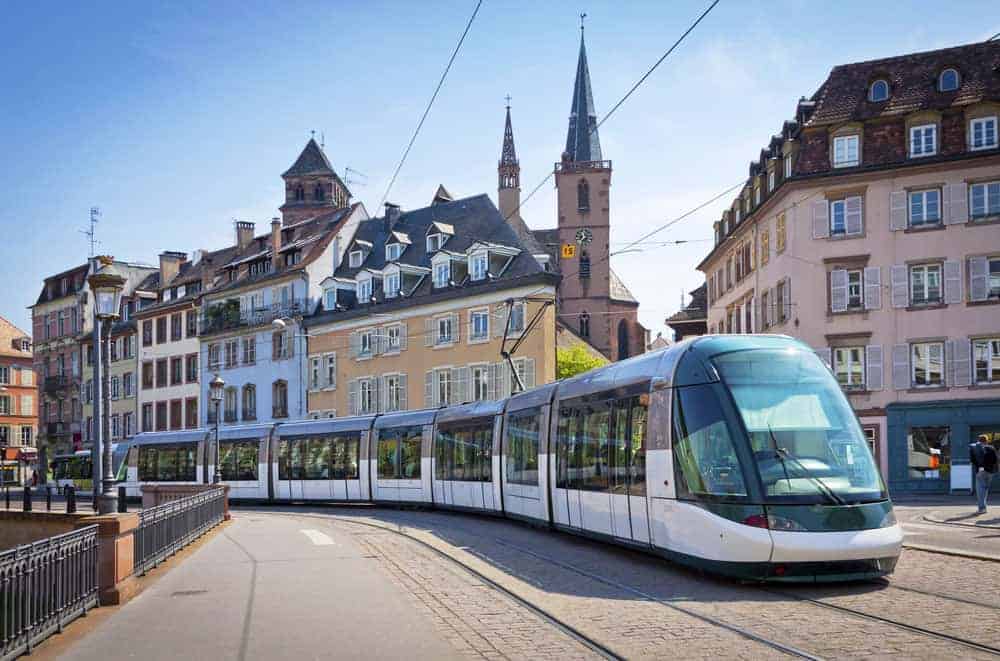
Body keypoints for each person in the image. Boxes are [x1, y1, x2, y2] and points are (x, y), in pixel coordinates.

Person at [969, 435, 998, 514]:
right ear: (987, 440)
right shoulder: (991, 448)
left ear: (979, 440)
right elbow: (995, 460)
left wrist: (979, 466)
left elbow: (972, 460)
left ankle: (982, 508)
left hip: (980, 471)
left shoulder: (974, 448)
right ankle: (983, 506)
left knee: (980, 490)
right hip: (990, 472)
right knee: (985, 489)